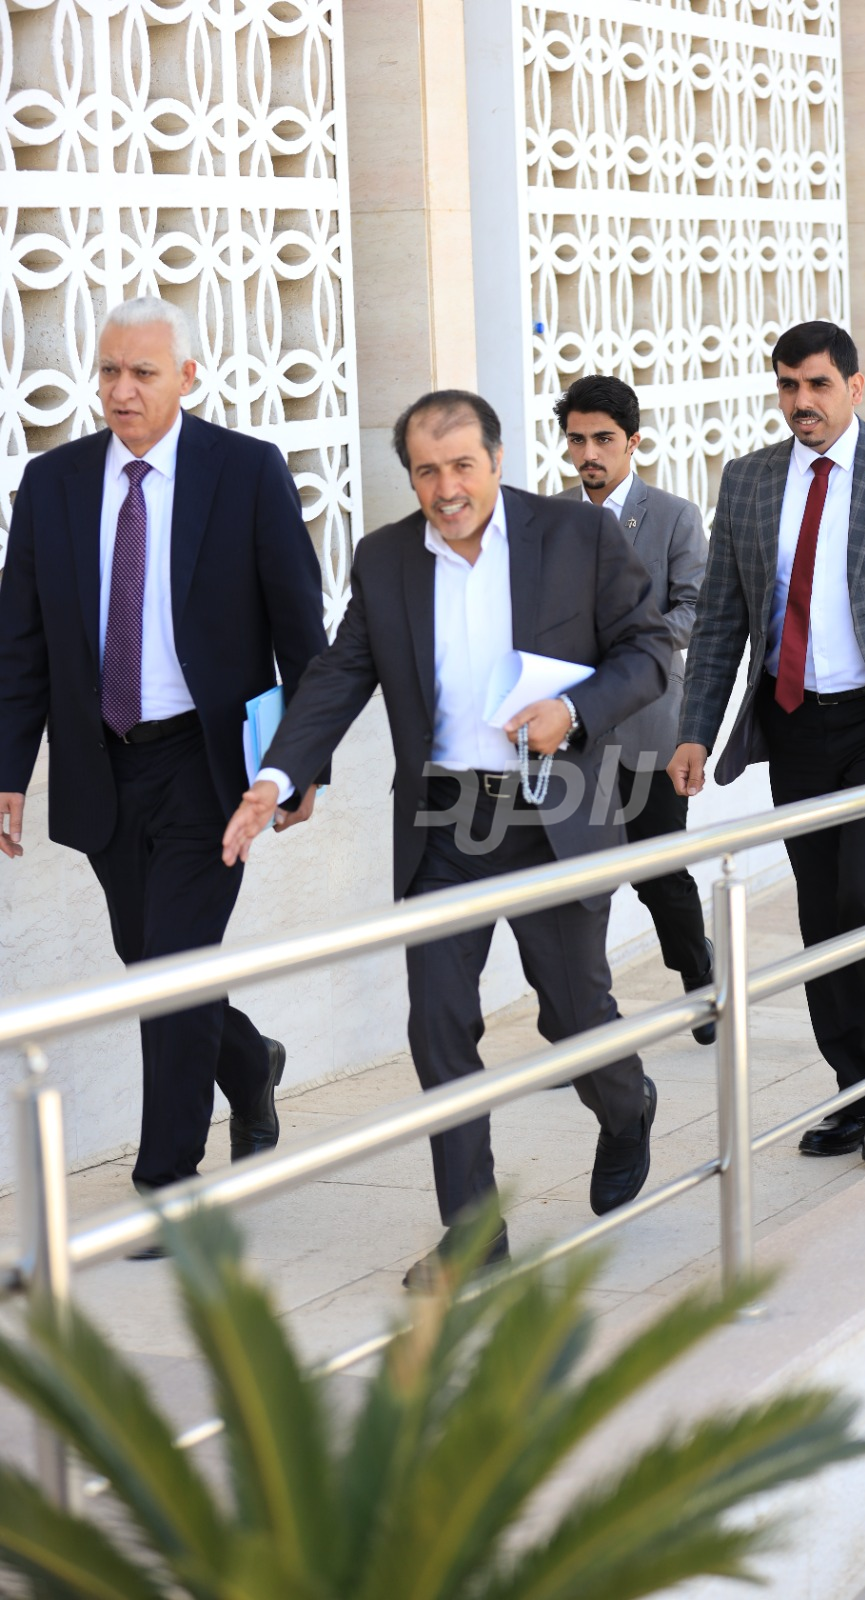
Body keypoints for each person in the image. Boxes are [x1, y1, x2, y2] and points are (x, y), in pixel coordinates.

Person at [222, 389, 672, 1288]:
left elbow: (650, 651)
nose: (447, 487)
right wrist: (275, 776)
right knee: (437, 1027)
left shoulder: (576, 536)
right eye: (427, 471)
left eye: (463, 465)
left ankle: (627, 1108)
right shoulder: (386, 559)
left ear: (496, 461)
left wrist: (575, 711)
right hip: (442, 825)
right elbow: (338, 676)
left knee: (574, 1015)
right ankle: (473, 1234)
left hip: (549, 814)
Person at [0, 296, 328, 1231]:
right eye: (108, 370)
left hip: (206, 764)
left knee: (173, 969)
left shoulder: (246, 471)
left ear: (187, 377)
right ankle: (249, 1062)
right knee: (150, 961)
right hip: (102, 764)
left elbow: (301, 628)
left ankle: (167, 1186)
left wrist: (299, 762)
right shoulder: (52, 483)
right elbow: (20, 642)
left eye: (142, 372)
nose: (121, 390)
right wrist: (9, 769)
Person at [669, 321, 865, 1162]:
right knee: (819, 909)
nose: (800, 401)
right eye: (787, 385)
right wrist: (695, 730)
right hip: (796, 722)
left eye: (816, 384)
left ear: (854, 386)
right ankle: (858, 1085)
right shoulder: (748, 480)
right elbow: (720, 623)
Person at [554, 374, 715, 1044]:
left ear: (633, 442)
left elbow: (696, 608)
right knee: (574, 885)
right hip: (574, 734)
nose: (588, 453)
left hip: (650, 724)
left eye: (603, 439)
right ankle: (578, 1024)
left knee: (660, 876)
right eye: (577, 440)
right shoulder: (551, 517)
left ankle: (701, 978)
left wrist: (629, 646)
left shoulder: (674, 516)